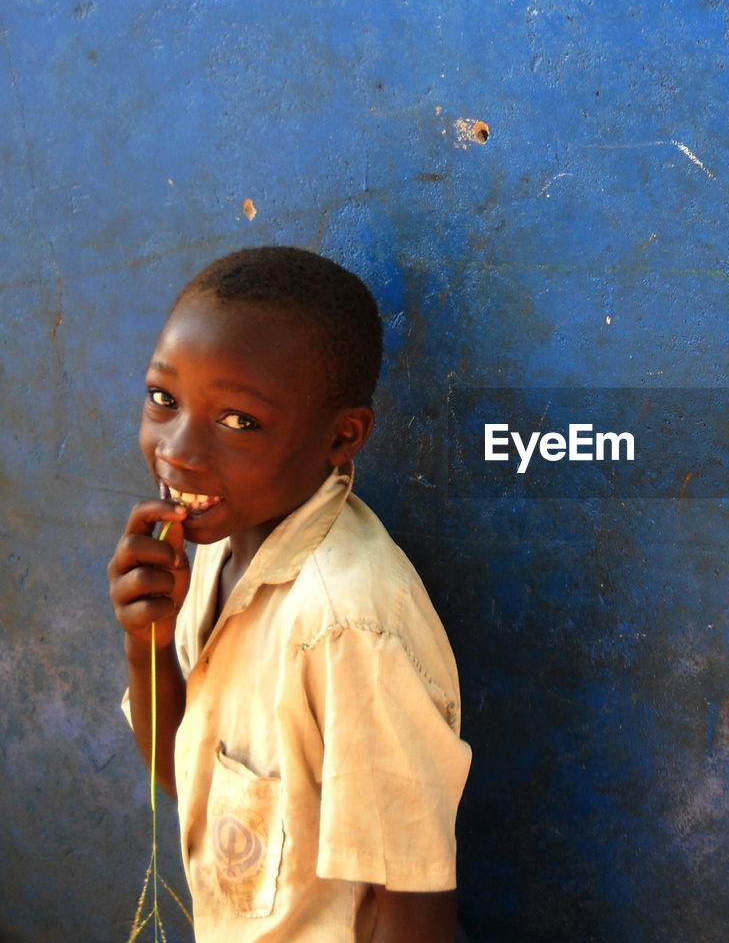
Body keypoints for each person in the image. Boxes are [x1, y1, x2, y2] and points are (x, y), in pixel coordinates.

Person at [107, 246, 470, 942]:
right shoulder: (212, 555)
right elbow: (188, 785)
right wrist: (147, 645)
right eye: (164, 398)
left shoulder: (349, 628)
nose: (177, 448)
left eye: (238, 420)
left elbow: (415, 910)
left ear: (343, 436)